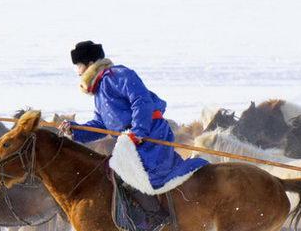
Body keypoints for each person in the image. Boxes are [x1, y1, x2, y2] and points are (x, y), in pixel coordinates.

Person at [59, 41, 208, 196]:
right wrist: (75, 130)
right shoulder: (99, 93)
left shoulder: (117, 75)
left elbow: (141, 101)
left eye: (78, 66)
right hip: (130, 142)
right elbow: (101, 124)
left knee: (147, 181)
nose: (77, 72)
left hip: (150, 135)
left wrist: (137, 132)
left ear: (89, 64)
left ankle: (160, 215)